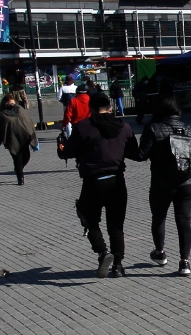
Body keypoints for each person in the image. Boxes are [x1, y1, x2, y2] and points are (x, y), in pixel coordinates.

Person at [60, 93, 140, 278]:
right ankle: (118, 265)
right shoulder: (124, 127)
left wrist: (62, 148)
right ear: (110, 108)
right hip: (117, 180)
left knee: (89, 218)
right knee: (116, 225)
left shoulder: (83, 127)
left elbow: (68, 152)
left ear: (91, 109)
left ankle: (102, 252)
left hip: (93, 181)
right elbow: (134, 153)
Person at [138, 96, 191, 277]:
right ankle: (184, 262)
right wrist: (188, 170)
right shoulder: (189, 128)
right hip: (187, 183)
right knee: (184, 221)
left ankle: (160, 253)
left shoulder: (153, 128)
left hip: (162, 183)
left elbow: (141, 154)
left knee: (159, 217)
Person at [0, 93, 38, 185]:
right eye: (9, 103)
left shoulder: (20, 110)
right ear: (5, 103)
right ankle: (20, 178)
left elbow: (28, 122)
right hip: (12, 140)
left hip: (24, 139)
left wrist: (33, 138)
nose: (11, 105)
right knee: (17, 159)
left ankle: (18, 169)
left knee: (26, 157)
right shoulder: (1, 114)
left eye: (13, 103)